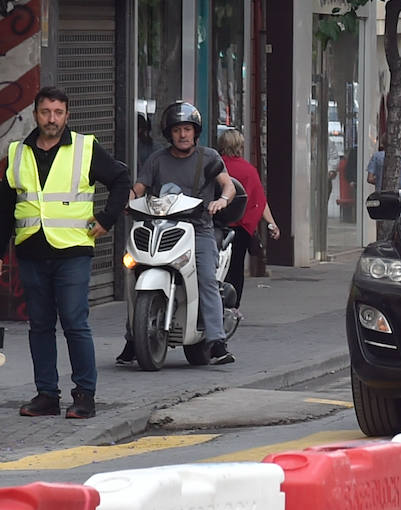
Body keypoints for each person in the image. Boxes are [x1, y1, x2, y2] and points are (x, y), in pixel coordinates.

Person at [0, 86, 132, 418]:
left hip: (73, 251)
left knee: (74, 322)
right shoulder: (17, 152)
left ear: (67, 116)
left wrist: (106, 219)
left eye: (58, 113)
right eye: (46, 112)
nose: (52, 119)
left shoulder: (85, 149)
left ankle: (84, 395)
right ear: (35, 115)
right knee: (40, 325)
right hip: (31, 251)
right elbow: (4, 207)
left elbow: (120, 179)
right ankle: (46, 395)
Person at [116, 101, 238, 367]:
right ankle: (132, 338)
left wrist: (222, 201)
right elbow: (139, 187)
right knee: (134, 270)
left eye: (187, 129)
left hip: (199, 230)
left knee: (206, 277)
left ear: (196, 132)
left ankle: (216, 341)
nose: (183, 135)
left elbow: (227, 186)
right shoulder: (157, 159)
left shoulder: (208, 158)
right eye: (177, 130)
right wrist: (127, 199)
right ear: (168, 133)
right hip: (159, 226)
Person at [216, 128, 280, 305]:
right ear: (239, 147)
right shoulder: (249, 171)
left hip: (216, 224)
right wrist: (272, 223)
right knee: (236, 268)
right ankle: (233, 306)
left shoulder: (214, 167)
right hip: (240, 227)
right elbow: (259, 200)